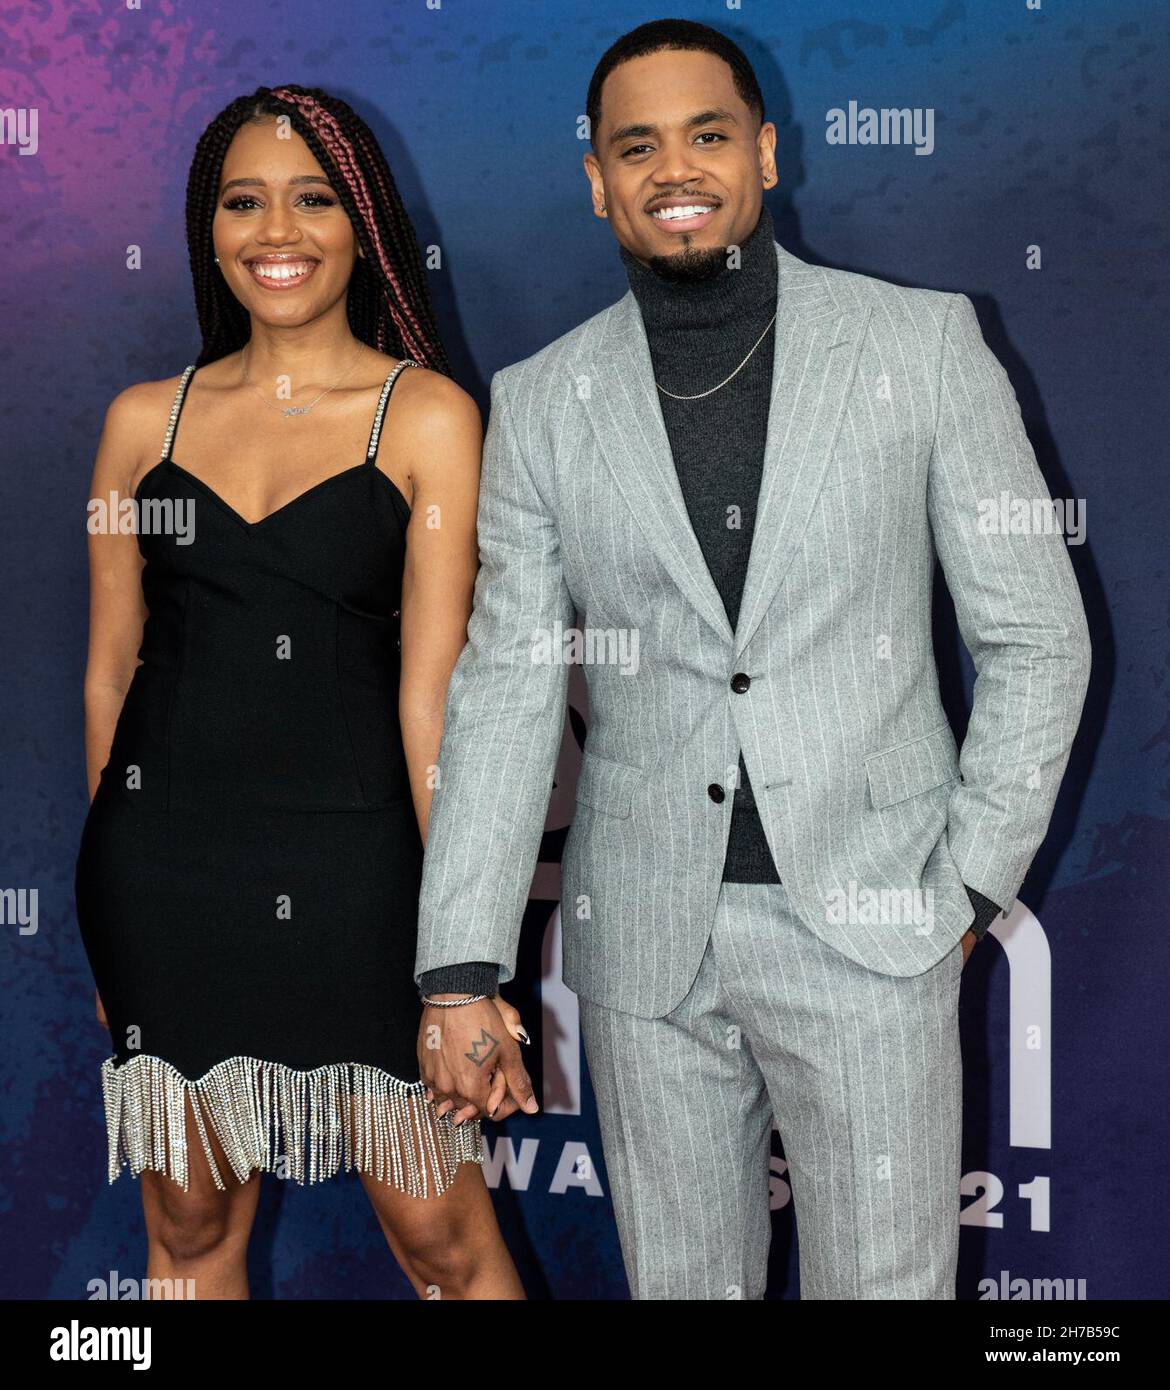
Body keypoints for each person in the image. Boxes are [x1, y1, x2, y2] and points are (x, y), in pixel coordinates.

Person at [414, 20, 1091, 1299]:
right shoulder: (543, 400)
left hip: (876, 918)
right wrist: (459, 964)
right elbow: (503, 689)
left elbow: (1036, 638)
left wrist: (965, 885)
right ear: (599, 181)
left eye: (709, 133)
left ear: (765, 152)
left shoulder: (922, 346)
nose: (679, 168)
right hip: (645, 942)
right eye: (639, 145)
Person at [75, 84, 524, 1300]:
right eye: (244, 202)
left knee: (445, 1246)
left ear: (362, 218)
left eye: (313, 198)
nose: (279, 230)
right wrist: (113, 891)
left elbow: (435, 699)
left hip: (364, 872)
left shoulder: (426, 416)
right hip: (164, 872)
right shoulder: (138, 425)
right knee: (188, 1230)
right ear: (208, 228)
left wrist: (462, 958)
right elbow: (111, 669)